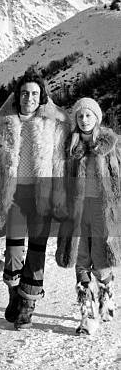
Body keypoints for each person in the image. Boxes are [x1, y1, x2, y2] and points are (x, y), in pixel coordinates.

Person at [0, 71, 70, 329]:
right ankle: (14, 292)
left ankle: (27, 305)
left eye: (35, 93)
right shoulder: (5, 124)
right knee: (13, 250)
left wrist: (58, 195)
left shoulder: (51, 126)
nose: (30, 98)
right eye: (25, 93)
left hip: (41, 195)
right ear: (17, 96)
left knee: (36, 250)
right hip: (14, 196)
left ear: (42, 97)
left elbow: (58, 163)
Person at [56, 98, 121, 335]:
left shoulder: (111, 145)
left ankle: (107, 299)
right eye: (80, 116)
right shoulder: (71, 147)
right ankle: (87, 315)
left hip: (104, 211)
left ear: (97, 118)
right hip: (77, 211)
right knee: (81, 259)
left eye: (88, 115)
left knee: (102, 258)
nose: (84, 120)